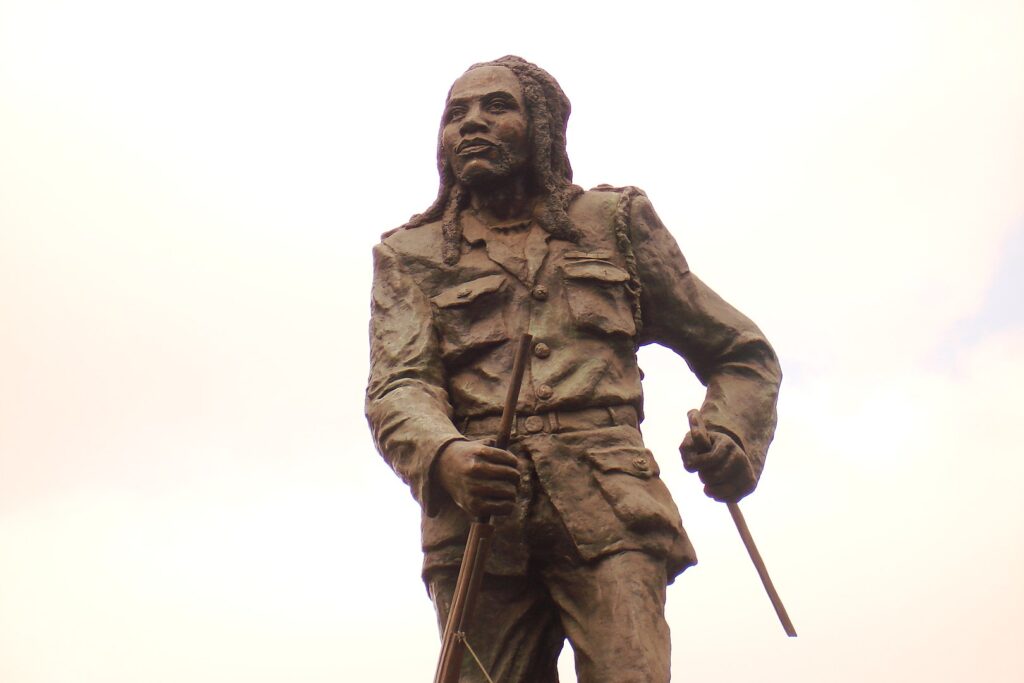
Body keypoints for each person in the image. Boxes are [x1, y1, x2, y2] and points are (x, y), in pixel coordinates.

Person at [365, 55, 781, 683]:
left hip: (611, 508)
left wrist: (730, 438)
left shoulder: (613, 224)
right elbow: (398, 386)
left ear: (541, 127)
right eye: (456, 114)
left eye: (495, 106)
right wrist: (446, 455)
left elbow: (739, 352)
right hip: (480, 522)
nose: (471, 124)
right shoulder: (411, 255)